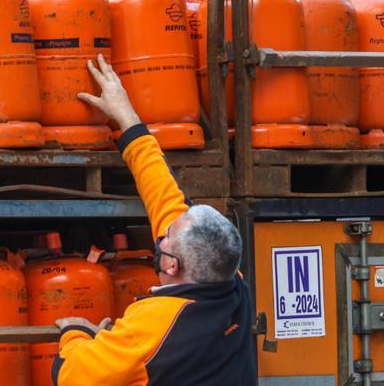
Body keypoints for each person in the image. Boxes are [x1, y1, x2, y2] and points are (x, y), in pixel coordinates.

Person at [51, 55, 257, 386]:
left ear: (172, 265)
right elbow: (162, 192)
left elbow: (72, 377)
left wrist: (75, 334)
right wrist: (126, 117)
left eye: (166, 237)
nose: (160, 236)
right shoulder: (233, 286)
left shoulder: (155, 325)